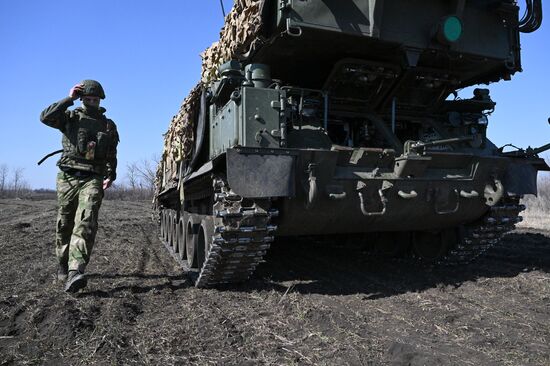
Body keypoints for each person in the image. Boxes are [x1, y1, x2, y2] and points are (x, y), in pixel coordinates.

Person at [40, 80, 119, 292]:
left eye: (95, 99)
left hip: (93, 177)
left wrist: (111, 175)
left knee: (86, 220)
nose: (91, 102)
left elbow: (111, 153)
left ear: (100, 100)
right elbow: (45, 117)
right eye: (87, 99)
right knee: (65, 222)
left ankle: (76, 270)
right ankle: (63, 266)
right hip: (67, 176)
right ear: (82, 99)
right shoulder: (70, 117)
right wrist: (69, 99)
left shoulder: (108, 125)